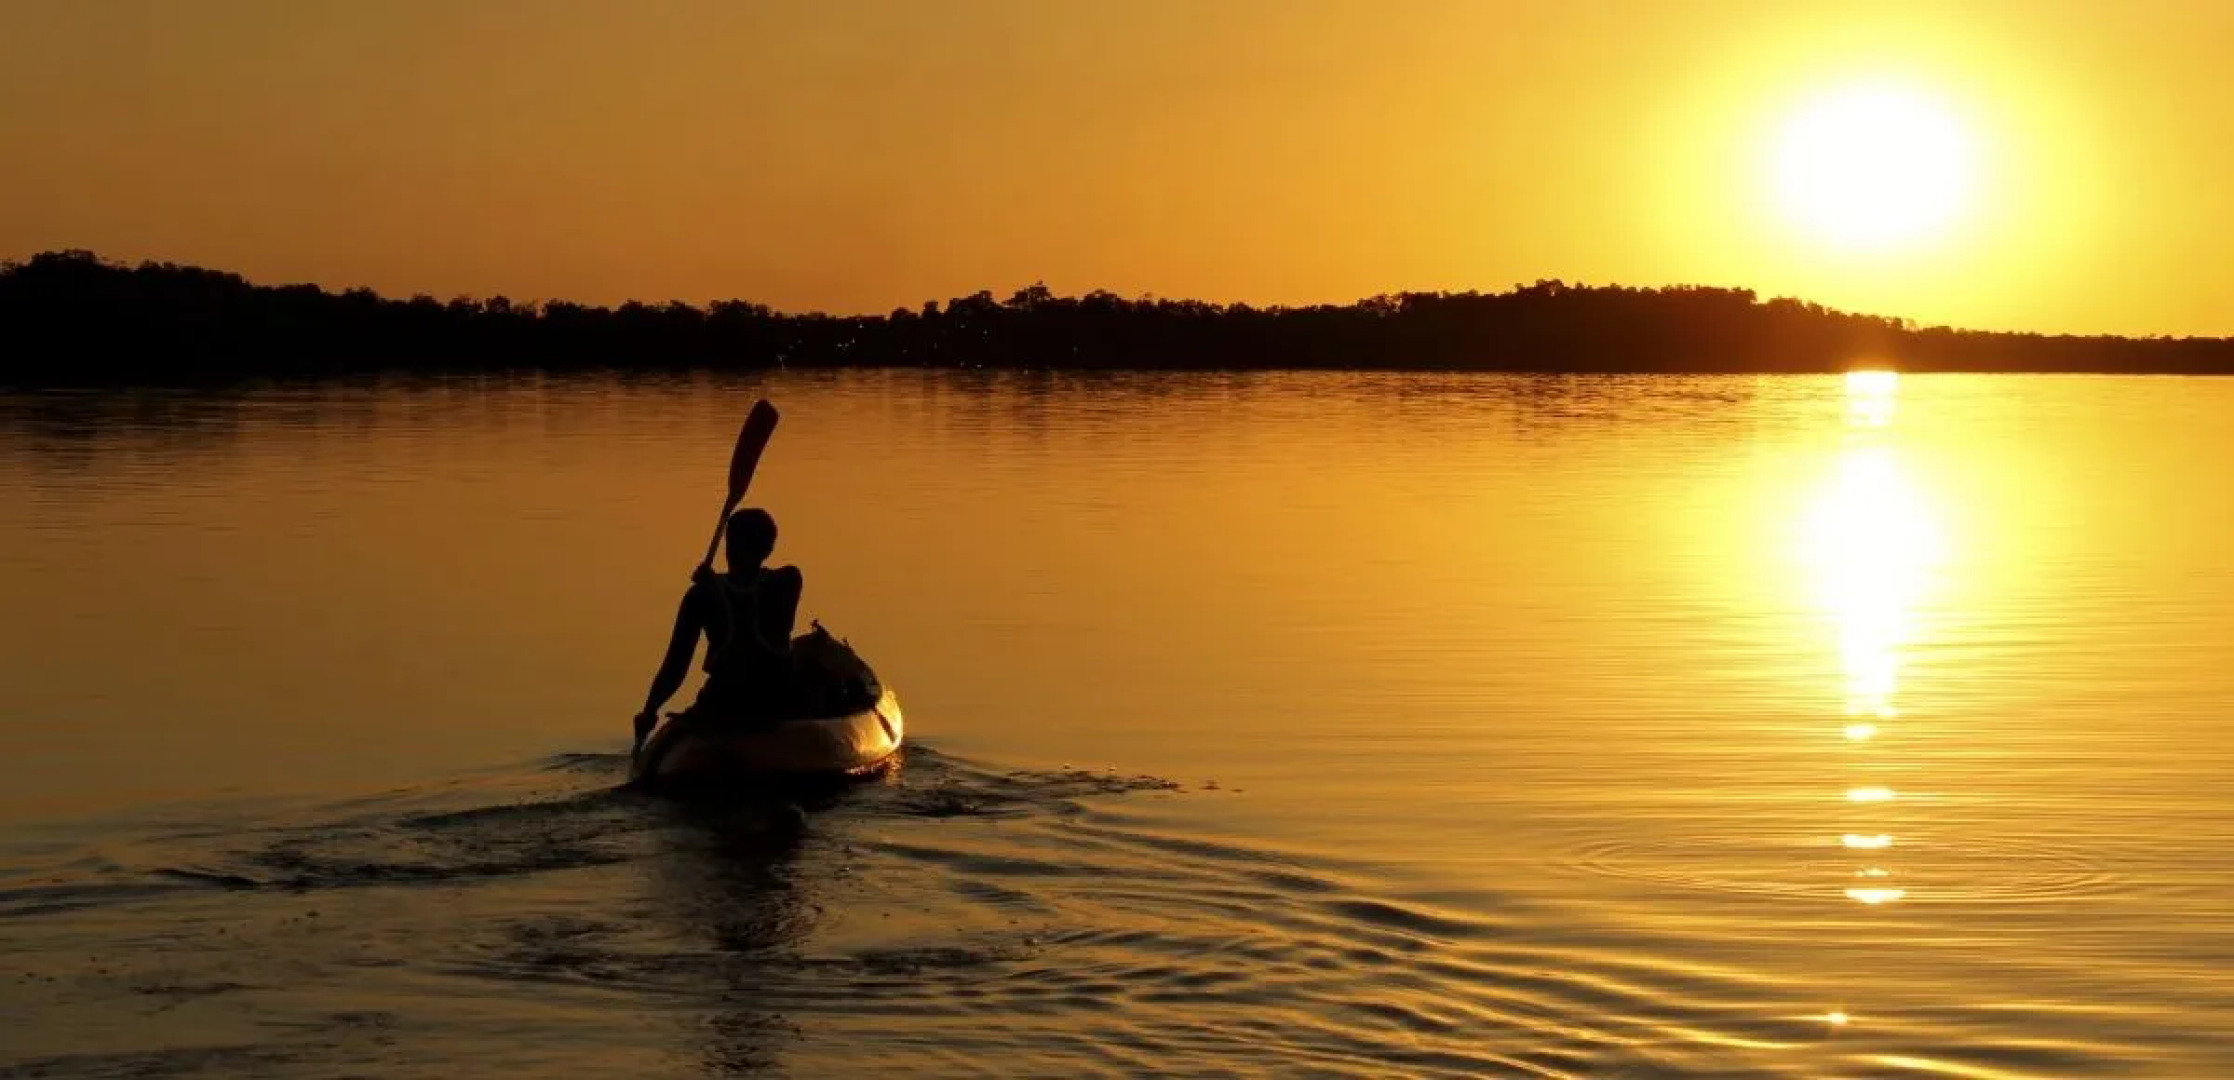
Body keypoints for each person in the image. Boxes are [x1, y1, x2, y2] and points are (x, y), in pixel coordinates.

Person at [631, 507, 804, 756]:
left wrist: (718, 595)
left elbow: (760, 643)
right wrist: (650, 711)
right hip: (725, 698)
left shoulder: (785, 582)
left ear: (766, 550)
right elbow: (676, 665)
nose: (733, 550)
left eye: (741, 543)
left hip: (772, 696)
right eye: (732, 542)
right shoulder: (700, 595)